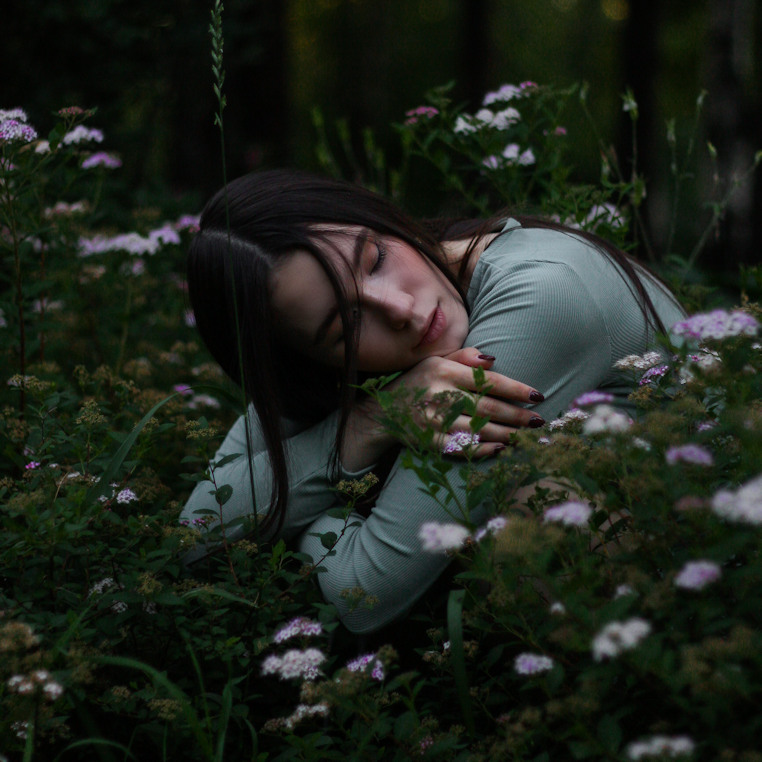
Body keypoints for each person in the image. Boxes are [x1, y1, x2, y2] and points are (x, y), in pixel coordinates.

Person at [180, 168, 684, 634]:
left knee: (528, 516)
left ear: (377, 220)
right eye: (345, 326)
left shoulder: (539, 295)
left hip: (714, 560)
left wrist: (309, 516)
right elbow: (196, 531)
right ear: (307, 363)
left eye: (374, 259)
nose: (399, 308)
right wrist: (370, 422)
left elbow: (365, 592)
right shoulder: (353, 361)